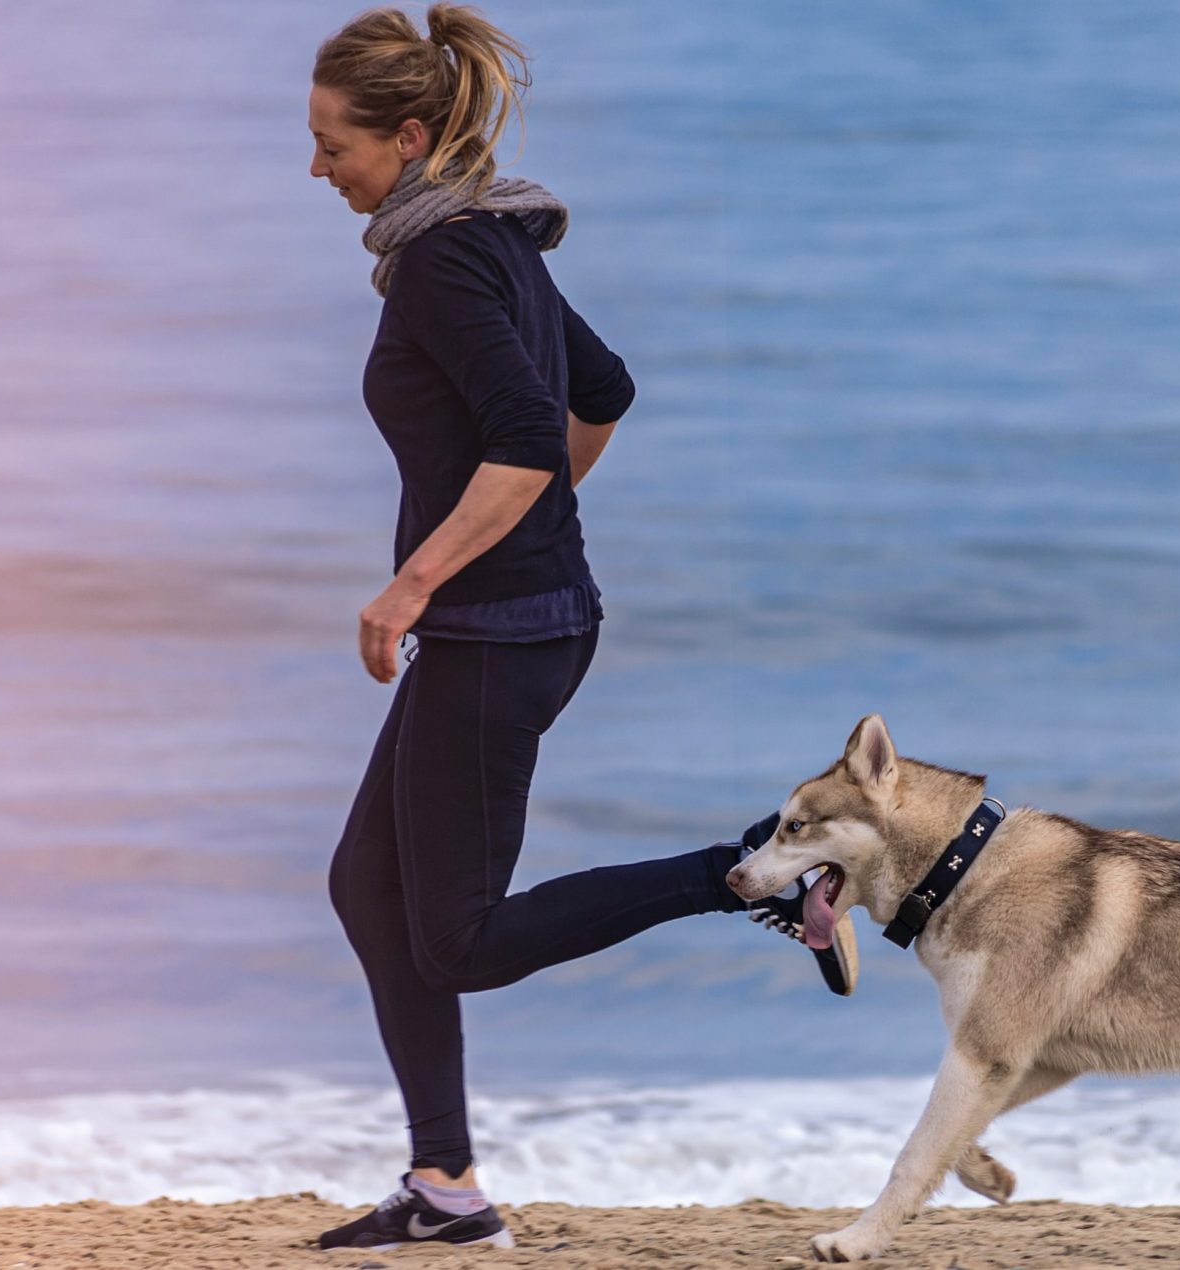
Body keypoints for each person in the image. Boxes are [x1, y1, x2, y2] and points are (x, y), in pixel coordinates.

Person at [307, 4, 854, 1251]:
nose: (317, 166)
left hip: (503, 635)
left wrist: (418, 581)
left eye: (331, 142)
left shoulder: (451, 258)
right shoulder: (486, 238)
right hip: (521, 618)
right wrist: (528, 526)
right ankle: (443, 1184)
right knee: (367, 886)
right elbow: (597, 395)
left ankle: (754, 870)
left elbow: (519, 440)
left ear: (402, 137)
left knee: (456, 942)